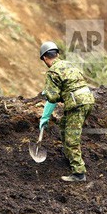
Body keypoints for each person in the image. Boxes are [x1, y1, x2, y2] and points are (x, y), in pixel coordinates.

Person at [38, 41, 95, 182]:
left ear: (45, 58)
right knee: (64, 126)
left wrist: (44, 116)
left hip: (77, 104)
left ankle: (79, 173)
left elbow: (53, 98)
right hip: (88, 99)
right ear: (57, 54)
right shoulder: (68, 64)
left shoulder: (52, 71)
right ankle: (69, 156)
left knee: (71, 137)